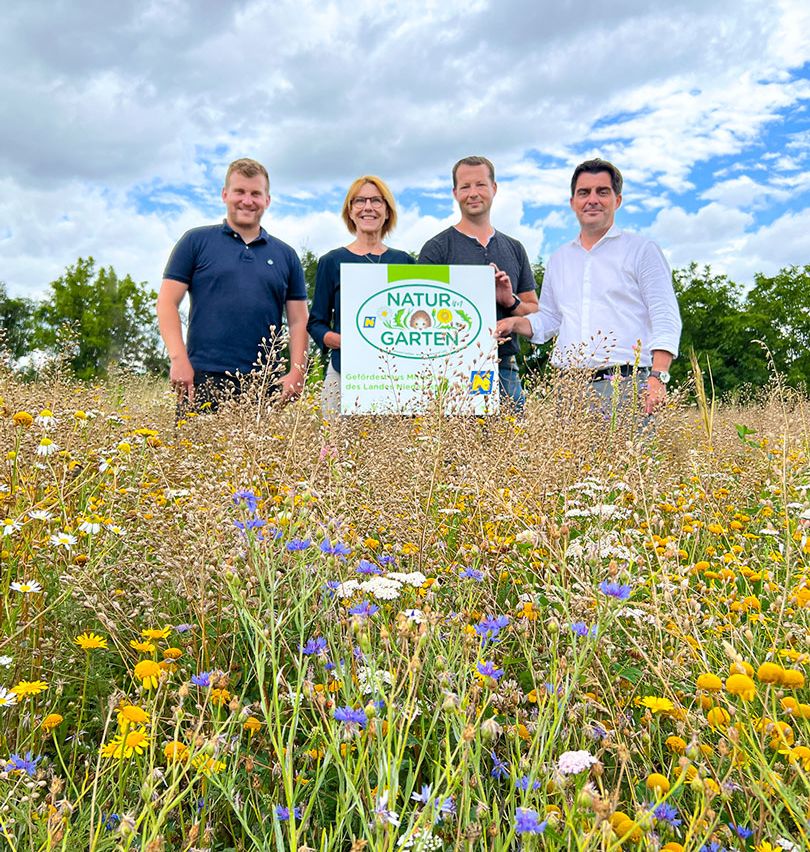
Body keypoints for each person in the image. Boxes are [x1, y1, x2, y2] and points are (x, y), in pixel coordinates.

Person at [496, 157, 681, 415]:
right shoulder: (559, 258)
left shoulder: (642, 251)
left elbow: (665, 316)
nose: (592, 199)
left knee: (626, 457)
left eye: (602, 192)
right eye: (584, 192)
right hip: (568, 387)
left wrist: (658, 376)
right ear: (573, 203)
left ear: (617, 200)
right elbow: (549, 320)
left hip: (626, 384)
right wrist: (514, 323)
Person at [156, 158, 309, 412]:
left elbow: (298, 320)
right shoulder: (195, 242)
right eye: (239, 191)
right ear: (225, 194)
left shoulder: (287, 255)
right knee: (194, 452)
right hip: (201, 377)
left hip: (264, 384)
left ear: (267, 200)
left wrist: (297, 372)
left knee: (261, 454)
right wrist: (178, 359)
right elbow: (166, 303)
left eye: (255, 194)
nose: (247, 201)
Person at [418, 156, 538, 408]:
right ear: (455, 193)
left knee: (511, 445)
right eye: (465, 187)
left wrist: (509, 300)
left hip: (505, 369)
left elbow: (535, 312)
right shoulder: (436, 249)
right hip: (451, 372)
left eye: (481, 185)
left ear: (494, 188)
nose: (473, 193)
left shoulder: (514, 248)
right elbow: (420, 314)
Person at [308, 175, 414, 417]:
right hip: (344, 372)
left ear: (387, 211)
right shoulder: (331, 261)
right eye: (360, 201)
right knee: (334, 450)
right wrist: (345, 341)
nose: (368, 207)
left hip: (396, 379)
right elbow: (316, 323)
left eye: (377, 201)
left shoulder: (404, 262)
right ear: (350, 211)